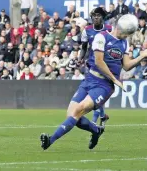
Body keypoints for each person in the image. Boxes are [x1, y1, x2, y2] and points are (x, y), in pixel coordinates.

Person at [40, 14, 147, 151]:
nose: (126, 37)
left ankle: (50, 140)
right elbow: (99, 62)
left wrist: (141, 56)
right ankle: (96, 130)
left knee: (78, 110)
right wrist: (116, 79)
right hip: (90, 79)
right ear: (119, 28)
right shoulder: (101, 37)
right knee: (72, 115)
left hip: (104, 86)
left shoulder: (124, 43)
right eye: (125, 33)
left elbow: (126, 65)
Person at [79, 7, 112, 126]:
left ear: (103, 17)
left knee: (97, 93)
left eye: (98, 15)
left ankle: (98, 118)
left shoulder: (110, 29)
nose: (96, 18)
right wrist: (80, 58)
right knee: (95, 93)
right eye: (94, 16)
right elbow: (83, 47)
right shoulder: (86, 30)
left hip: (106, 65)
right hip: (92, 66)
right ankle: (101, 116)